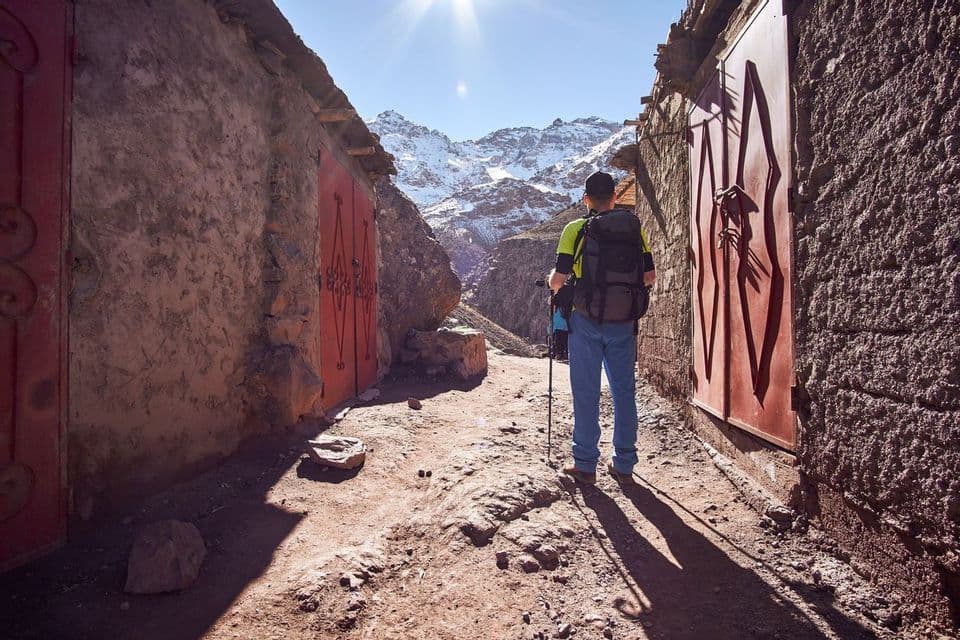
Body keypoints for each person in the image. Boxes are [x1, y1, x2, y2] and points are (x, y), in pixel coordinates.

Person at [548, 171, 656, 486]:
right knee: (623, 390)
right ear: (615, 198)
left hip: (586, 319)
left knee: (586, 390)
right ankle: (624, 463)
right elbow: (649, 277)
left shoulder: (575, 229)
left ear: (586, 199)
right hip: (623, 322)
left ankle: (585, 464)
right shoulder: (634, 229)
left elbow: (559, 279)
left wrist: (554, 285)